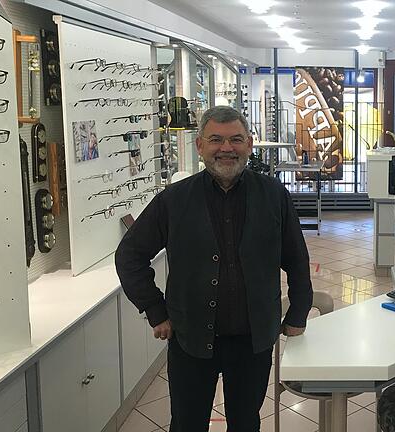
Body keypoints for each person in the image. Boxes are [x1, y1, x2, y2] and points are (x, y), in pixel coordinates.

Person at [115, 106, 313, 432]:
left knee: (246, 423)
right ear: (200, 146)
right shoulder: (174, 200)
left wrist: (298, 312)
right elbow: (129, 255)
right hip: (190, 338)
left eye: (235, 139)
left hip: (253, 339)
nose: (226, 148)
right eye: (216, 140)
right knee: (188, 424)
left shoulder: (274, 195)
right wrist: (155, 309)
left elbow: (296, 257)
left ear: (249, 144)